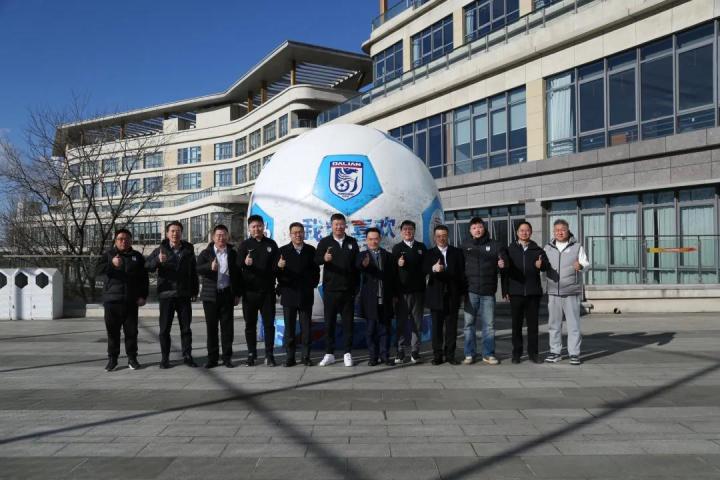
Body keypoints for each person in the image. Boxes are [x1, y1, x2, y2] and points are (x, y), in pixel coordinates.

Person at [145, 221, 199, 369]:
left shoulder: (188, 250)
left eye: (178, 231)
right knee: (164, 329)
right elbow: (147, 266)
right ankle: (165, 358)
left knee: (186, 328)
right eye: (172, 231)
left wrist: (194, 291)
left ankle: (187, 356)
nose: (175, 233)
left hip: (183, 294)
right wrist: (157, 261)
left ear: (182, 233)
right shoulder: (160, 250)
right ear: (167, 233)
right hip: (166, 294)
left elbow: (193, 272)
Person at [96, 228, 148, 372]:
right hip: (112, 301)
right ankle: (112, 359)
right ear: (115, 241)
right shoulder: (108, 255)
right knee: (113, 332)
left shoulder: (137, 256)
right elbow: (96, 271)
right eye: (120, 239)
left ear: (131, 241)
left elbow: (144, 279)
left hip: (130, 301)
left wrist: (143, 296)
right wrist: (111, 264)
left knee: (131, 332)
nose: (123, 241)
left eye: (126, 239)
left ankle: (132, 358)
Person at [314, 213, 360, 367]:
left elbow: (356, 266)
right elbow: (316, 260)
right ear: (331, 225)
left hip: (348, 291)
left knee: (348, 323)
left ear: (345, 225)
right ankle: (329, 353)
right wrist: (324, 259)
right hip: (331, 290)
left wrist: (356, 288)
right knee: (330, 323)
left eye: (341, 224)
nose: (339, 227)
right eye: (336, 224)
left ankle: (347, 353)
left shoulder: (352, 242)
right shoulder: (325, 242)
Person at [544, 219, 590, 366]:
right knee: (554, 324)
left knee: (573, 324)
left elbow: (586, 264)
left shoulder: (577, 247)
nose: (560, 232)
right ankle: (555, 352)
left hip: (571, 291)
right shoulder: (547, 248)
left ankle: (574, 354)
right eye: (557, 230)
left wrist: (580, 266)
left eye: (562, 229)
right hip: (553, 292)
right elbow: (543, 265)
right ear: (553, 232)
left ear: (568, 230)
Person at [500, 221, 547, 364]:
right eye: (521, 230)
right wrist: (505, 290)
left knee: (533, 326)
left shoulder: (537, 250)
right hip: (516, 292)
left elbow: (546, 266)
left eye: (527, 230)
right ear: (517, 232)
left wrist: (541, 265)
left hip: (533, 293)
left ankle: (533, 354)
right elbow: (504, 272)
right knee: (516, 325)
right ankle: (516, 353)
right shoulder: (509, 249)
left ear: (531, 232)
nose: (524, 233)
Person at [237, 214, 280, 367]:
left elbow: (277, 267)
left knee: (269, 325)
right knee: (250, 325)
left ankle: (269, 354)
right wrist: (244, 262)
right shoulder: (244, 245)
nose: (257, 229)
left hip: (267, 292)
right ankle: (251, 354)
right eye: (253, 227)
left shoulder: (271, 244)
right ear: (249, 229)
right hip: (249, 293)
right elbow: (237, 266)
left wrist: (279, 268)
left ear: (263, 226)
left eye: (259, 226)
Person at [196, 224, 241, 369]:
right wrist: (209, 267)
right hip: (210, 297)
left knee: (227, 329)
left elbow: (238, 275)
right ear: (213, 237)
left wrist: (237, 294)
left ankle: (227, 358)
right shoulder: (206, 253)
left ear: (228, 236)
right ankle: (212, 359)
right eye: (218, 235)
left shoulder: (233, 253)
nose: (221, 238)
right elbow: (197, 269)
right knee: (212, 329)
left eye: (224, 235)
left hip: (227, 295)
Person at [276, 222, 320, 367]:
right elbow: (276, 274)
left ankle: (306, 356)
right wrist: (279, 268)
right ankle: (290, 357)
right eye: (295, 232)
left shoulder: (310, 250)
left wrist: (312, 284)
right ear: (290, 235)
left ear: (304, 233)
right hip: (289, 295)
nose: (298, 235)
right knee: (289, 328)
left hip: (306, 295)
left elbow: (316, 271)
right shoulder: (283, 251)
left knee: (306, 327)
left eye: (300, 232)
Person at [461, 217, 503, 366]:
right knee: (468, 324)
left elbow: (504, 261)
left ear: (484, 228)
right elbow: (460, 268)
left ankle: (488, 354)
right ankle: (469, 354)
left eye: (479, 227)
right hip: (471, 291)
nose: (477, 230)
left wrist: (503, 263)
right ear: (470, 230)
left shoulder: (495, 245)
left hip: (488, 291)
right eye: (474, 228)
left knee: (489, 325)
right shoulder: (465, 246)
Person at [424, 225, 465, 365]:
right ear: (434, 237)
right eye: (438, 236)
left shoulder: (457, 252)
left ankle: (450, 355)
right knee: (436, 328)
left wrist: (462, 294)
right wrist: (433, 268)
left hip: (453, 296)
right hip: (436, 296)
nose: (441, 238)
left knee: (451, 328)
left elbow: (462, 275)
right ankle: (437, 355)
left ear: (448, 236)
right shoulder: (429, 253)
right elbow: (423, 269)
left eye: (444, 236)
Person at [356, 227, 396, 366]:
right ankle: (373, 357)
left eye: (376, 239)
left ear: (380, 239)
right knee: (370, 330)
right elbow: (359, 266)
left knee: (385, 330)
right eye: (370, 239)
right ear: (366, 240)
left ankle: (385, 356)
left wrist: (394, 295)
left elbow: (393, 277)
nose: (373, 241)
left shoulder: (388, 255)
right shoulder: (362, 255)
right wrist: (364, 265)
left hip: (385, 299)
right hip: (370, 300)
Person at [391, 220, 427, 364]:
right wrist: (398, 264)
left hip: (418, 292)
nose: (408, 231)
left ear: (414, 231)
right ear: (401, 232)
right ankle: (400, 351)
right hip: (402, 293)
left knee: (417, 324)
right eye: (405, 229)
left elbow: (426, 268)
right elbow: (393, 273)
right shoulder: (397, 248)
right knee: (401, 323)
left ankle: (415, 351)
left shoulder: (421, 247)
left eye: (410, 229)